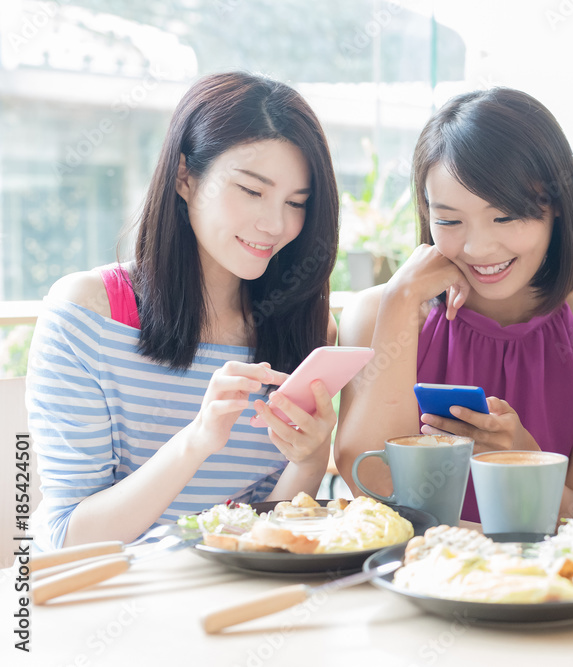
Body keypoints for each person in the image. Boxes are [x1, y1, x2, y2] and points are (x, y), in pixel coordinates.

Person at [27, 72, 340, 550]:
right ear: (184, 177)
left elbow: (269, 539)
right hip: (113, 605)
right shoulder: (86, 316)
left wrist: (311, 459)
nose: (275, 224)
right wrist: (195, 442)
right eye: (252, 191)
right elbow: (67, 536)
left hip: (237, 601)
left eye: (296, 203)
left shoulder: (306, 327)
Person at [335, 87, 573, 524]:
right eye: (450, 221)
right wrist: (400, 301)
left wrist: (523, 458)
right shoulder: (374, 315)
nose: (478, 248)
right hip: (407, 581)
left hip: (530, 588)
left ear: (556, 207)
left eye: (506, 216)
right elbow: (374, 492)